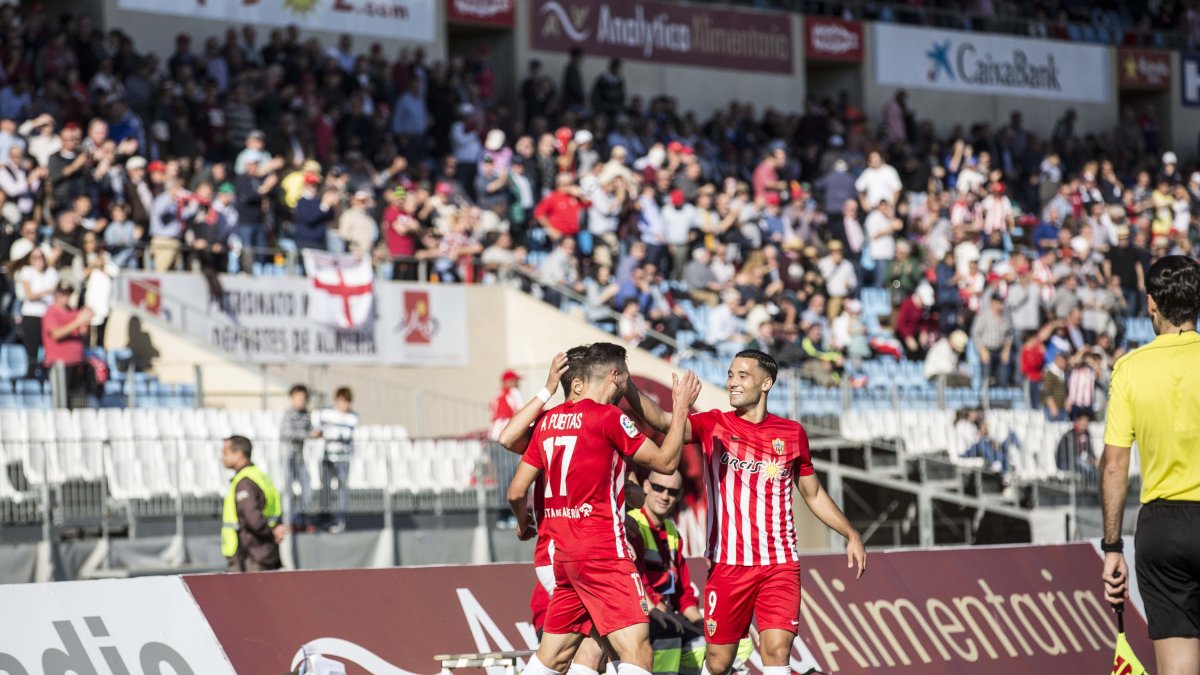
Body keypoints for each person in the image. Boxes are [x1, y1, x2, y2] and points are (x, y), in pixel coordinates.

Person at [624, 349, 865, 675]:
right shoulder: (714, 425)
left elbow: (814, 492)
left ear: (766, 383)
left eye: (742, 376)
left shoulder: (792, 434)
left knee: (777, 652)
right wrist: (627, 385)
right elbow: (662, 421)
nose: (733, 383)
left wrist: (850, 532)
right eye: (730, 375)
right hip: (728, 566)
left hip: (779, 564)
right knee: (720, 663)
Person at [506, 343, 701, 675]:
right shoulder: (609, 417)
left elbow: (515, 491)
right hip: (604, 554)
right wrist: (681, 406)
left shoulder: (549, 421)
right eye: (626, 378)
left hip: (565, 558)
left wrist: (524, 522)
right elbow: (667, 462)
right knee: (637, 651)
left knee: (554, 656)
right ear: (616, 376)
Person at [1101, 255, 1200, 674]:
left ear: (1151, 304)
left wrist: (1111, 548)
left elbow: (1114, 466)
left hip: (1163, 529)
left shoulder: (1129, 369)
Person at [626, 470, 707, 675]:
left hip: (664, 612)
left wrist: (699, 622)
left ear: (679, 495)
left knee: (705, 640)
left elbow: (683, 593)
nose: (664, 496)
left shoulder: (672, 532)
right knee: (668, 633)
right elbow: (637, 583)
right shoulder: (632, 525)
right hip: (638, 611)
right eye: (658, 488)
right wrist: (668, 614)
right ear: (645, 487)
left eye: (672, 491)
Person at [220, 435, 286, 572]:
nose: (221, 457)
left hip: (251, 554)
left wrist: (271, 533)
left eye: (225, 453)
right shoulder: (260, 475)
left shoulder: (245, 481)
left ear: (238, 454)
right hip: (265, 550)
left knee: (247, 593)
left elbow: (253, 518)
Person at [313, 386, 359, 533]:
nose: (344, 405)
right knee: (325, 488)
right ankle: (324, 517)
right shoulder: (327, 413)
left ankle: (341, 519)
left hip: (343, 458)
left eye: (347, 401)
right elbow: (317, 425)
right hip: (328, 456)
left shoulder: (353, 417)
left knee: (342, 489)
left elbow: (345, 434)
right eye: (341, 401)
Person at [41, 281, 93, 408]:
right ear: (56, 295)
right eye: (62, 294)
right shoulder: (51, 312)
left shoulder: (73, 312)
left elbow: (84, 331)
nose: (66, 297)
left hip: (77, 364)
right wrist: (77, 322)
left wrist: (86, 320)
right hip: (61, 366)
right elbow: (56, 334)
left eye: (68, 294)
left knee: (79, 404)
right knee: (63, 403)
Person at [16, 246, 57, 379]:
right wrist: (47, 291)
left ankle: (47, 375)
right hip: (31, 315)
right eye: (35, 258)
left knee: (49, 347)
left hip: (48, 315)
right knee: (32, 349)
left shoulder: (51, 272)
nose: (39, 261)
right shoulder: (27, 271)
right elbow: (29, 295)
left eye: (41, 257)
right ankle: (30, 376)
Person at [279, 383, 314, 529]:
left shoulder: (306, 414)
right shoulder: (288, 414)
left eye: (303, 398)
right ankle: (287, 520)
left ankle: (301, 518)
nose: (301, 401)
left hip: (300, 457)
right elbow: (286, 433)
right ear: (292, 398)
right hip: (288, 456)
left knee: (307, 490)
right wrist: (308, 434)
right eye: (298, 398)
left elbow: (310, 429)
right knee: (288, 490)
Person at [1056, 411, 1096, 483]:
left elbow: (1090, 452)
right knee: (1079, 461)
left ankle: (1094, 481)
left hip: (1081, 463)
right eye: (1083, 420)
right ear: (1077, 421)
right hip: (1066, 463)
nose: (1085, 423)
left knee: (1096, 464)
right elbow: (1069, 455)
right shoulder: (1069, 435)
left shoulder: (1087, 434)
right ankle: (1095, 481)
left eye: (1086, 421)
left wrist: (1094, 459)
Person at [489, 369, 525, 442]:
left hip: (494, 432)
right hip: (508, 430)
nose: (516, 383)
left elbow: (491, 410)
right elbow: (521, 410)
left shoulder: (497, 393)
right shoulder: (514, 392)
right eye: (514, 381)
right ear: (506, 382)